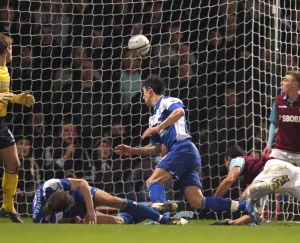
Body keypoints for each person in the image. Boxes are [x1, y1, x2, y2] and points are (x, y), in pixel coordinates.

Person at [115, 76, 257, 221]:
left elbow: (180, 112)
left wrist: (158, 127)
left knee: (152, 182)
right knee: (197, 202)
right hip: (185, 153)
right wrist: (133, 150)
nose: (143, 96)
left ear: (150, 91)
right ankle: (243, 206)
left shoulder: (168, 101)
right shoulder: (153, 118)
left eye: (143, 91)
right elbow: (156, 148)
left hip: (182, 147)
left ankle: (164, 219)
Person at [32, 178, 182, 225]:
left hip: (82, 194)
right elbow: (60, 221)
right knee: (119, 221)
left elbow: (82, 183)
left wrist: (91, 212)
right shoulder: (42, 219)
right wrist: (72, 219)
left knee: (115, 201)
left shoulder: (51, 185)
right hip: (75, 212)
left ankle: (165, 220)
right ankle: (154, 209)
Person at [0, 33, 35, 223]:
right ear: (7, 49)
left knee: (13, 164)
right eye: (12, 48)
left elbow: (4, 94)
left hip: (1, 122)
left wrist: (17, 98)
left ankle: (7, 206)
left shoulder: (4, 69)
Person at [263, 71, 300, 166]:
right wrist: (269, 145)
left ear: (295, 85)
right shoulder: (278, 101)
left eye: (285, 80)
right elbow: (274, 123)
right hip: (281, 151)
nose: (281, 83)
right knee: (271, 176)